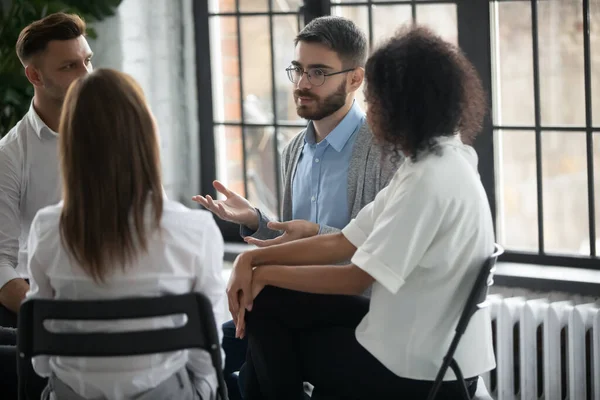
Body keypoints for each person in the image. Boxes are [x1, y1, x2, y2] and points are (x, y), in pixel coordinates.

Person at [227, 25, 495, 400]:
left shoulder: (430, 178)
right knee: (265, 316)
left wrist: (263, 273)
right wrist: (253, 260)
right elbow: (342, 240)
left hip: (413, 366)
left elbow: (355, 278)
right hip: (425, 345)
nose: (372, 109)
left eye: (377, 99)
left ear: (406, 104)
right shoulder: (442, 159)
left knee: (264, 326)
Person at [192, 16, 398, 399]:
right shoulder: (293, 152)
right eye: (299, 70)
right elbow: (296, 240)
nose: (303, 84)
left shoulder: (383, 152)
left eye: (318, 72)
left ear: (355, 79)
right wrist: (257, 221)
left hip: (360, 307)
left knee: (243, 339)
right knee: (218, 344)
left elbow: (373, 250)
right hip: (296, 305)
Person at [25, 68, 226, 400]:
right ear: (146, 136)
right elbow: (209, 351)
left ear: (72, 145)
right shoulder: (195, 230)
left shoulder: (47, 229)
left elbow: (42, 361)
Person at [0, 12, 93, 398]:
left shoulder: (115, 133)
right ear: (35, 76)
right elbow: (1, 264)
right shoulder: (9, 156)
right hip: (38, 303)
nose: (87, 74)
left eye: (88, 60)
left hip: (109, 292)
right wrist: (54, 316)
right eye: (70, 66)